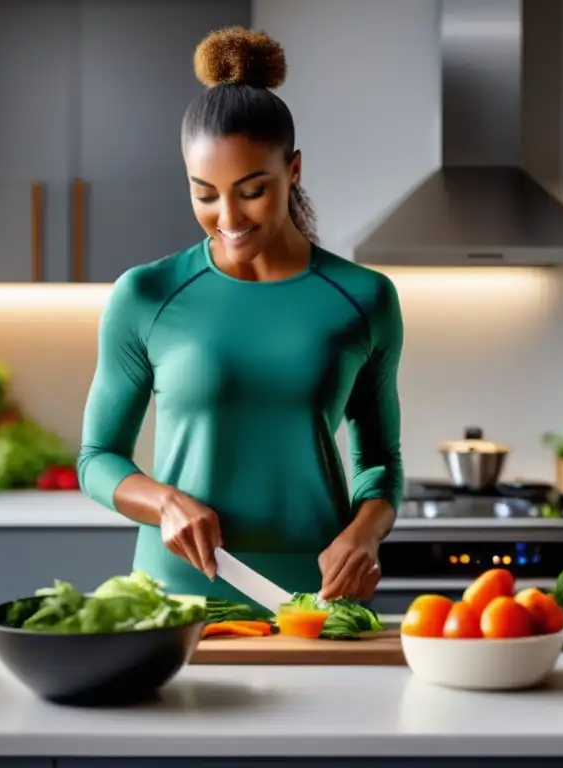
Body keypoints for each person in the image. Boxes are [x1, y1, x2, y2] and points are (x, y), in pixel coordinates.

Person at [77, 27, 405, 610]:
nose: (228, 217)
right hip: (174, 598)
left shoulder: (363, 297)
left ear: (294, 170)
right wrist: (163, 503)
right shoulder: (147, 294)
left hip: (314, 599)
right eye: (205, 194)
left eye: (252, 190)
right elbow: (97, 457)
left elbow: (378, 462)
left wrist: (364, 533)